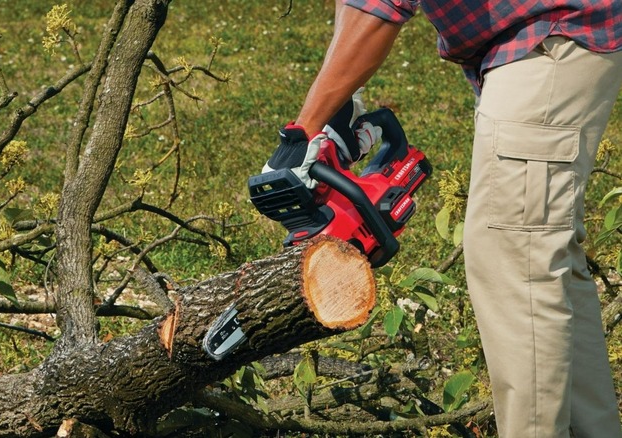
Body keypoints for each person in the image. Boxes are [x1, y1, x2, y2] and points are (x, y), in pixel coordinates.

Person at [263, 1, 622, 436]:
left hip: (549, 38)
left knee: (514, 258)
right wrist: (340, 101)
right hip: (547, 37)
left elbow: (380, 5)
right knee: (544, 256)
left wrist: (304, 131)